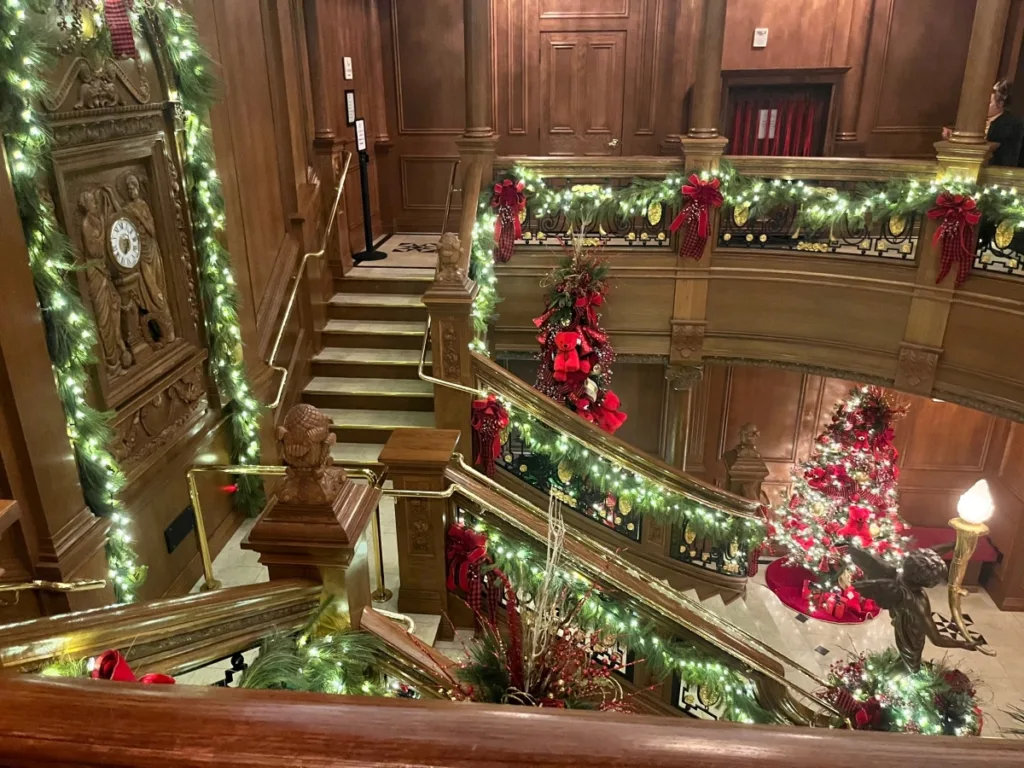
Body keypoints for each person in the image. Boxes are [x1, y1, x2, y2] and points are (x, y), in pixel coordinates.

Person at [943, 80, 1024, 166]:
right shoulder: (973, 120)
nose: (983, 106)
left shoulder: (1013, 124)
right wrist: (952, 138)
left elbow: (1008, 156)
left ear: (1000, 104)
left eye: (989, 103)